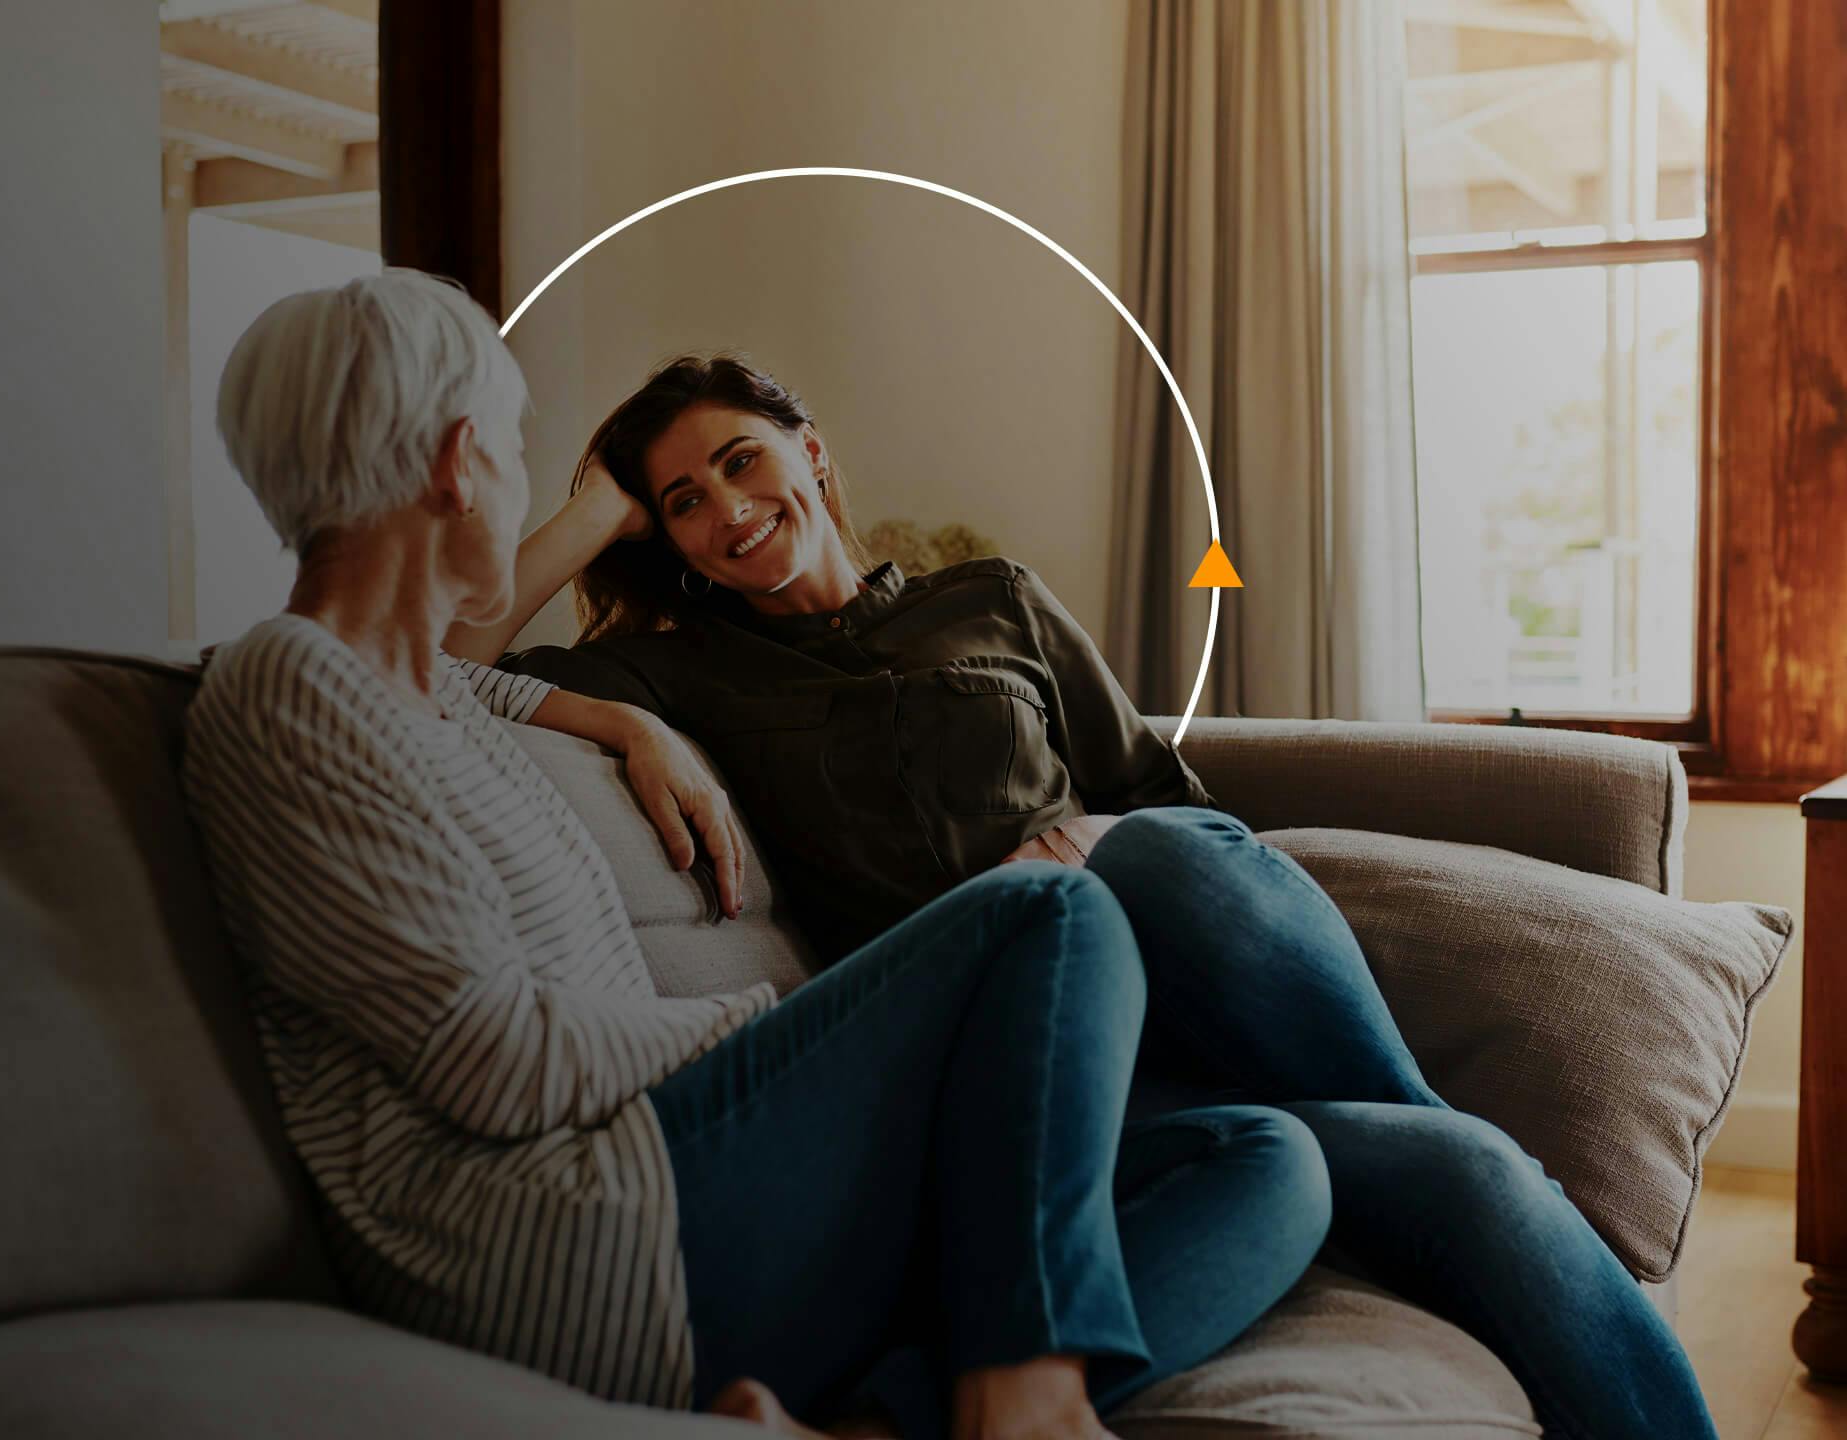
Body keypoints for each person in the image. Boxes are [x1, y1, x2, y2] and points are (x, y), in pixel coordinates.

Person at [446, 352, 1721, 1440]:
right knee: (1430, 1176)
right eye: (679, 501)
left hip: (1185, 971)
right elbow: (439, 653)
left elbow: (1180, 809)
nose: (725, 509)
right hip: (1033, 1069)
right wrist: (604, 602)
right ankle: (912, 1412)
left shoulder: (988, 599)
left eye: (739, 461)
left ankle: (1421, 1126)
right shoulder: (684, 675)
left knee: (1163, 862)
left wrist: (1090, 840)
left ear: (812, 451)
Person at [184, 272, 1334, 1440]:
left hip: (674, 1185)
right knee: (1047, 915)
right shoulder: (290, 687)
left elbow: (468, 669)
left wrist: (626, 722)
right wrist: (791, 1021)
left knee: (1267, 1161)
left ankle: (888, 1428)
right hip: (581, 1246)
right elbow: (500, 1065)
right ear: (458, 459)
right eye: (515, 447)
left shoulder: (423, 692)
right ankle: (1025, 1411)